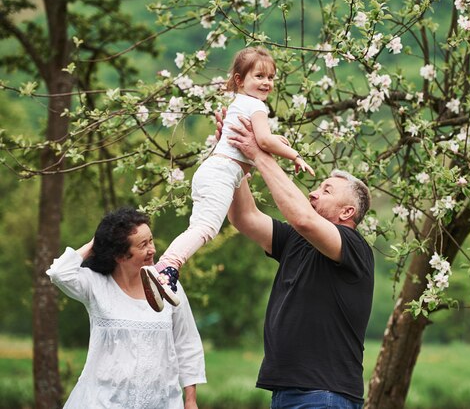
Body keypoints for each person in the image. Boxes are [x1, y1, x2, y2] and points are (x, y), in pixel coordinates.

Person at [141, 46, 314, 312]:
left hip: (214, 171)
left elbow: (259, 142)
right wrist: (295, 155)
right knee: (205, 229)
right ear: (239, 80)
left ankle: (167, 273)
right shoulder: (256, 106)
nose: (267, 82)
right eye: (259, 76)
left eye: (271, 77)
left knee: (200, 226)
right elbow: (263, 140)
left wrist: (273, 142)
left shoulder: (240, 103)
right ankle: (166, 269)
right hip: (221, 174)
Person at [223, 116, 374, 408]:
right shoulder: (296, 240)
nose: (313, 193)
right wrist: (235, 159)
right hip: (287, 393)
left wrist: (259, 154)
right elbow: (245, 218)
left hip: (324, 395)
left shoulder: (355, 247)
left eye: (326, 190)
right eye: (317, 187)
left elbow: (303, 218)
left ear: (347, 213)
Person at [46, 207, 206, 409]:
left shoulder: (167, 285)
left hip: (162, 402)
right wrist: (96, 243)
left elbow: (187, 342)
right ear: (120, 256)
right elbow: (59, 273)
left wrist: (190, 400)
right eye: (143, 245)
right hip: (102, 401)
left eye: (151, 240)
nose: (153, 249)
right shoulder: (96, 284)